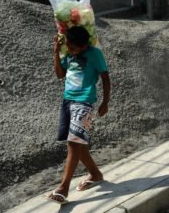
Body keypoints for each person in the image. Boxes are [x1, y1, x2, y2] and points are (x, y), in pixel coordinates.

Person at [47, 26, 111, 204]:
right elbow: (60, 75)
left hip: (84, 102)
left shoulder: (95, 54)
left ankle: (63, 189)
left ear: (83, 46)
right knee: (77, 144)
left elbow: (105, 77)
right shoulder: (69, 53)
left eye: (73, 47)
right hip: (67, 101)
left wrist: (105, 102)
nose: (70, 50)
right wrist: (57, 51)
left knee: (74, 143)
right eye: (68, 46)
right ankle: (96, 174)